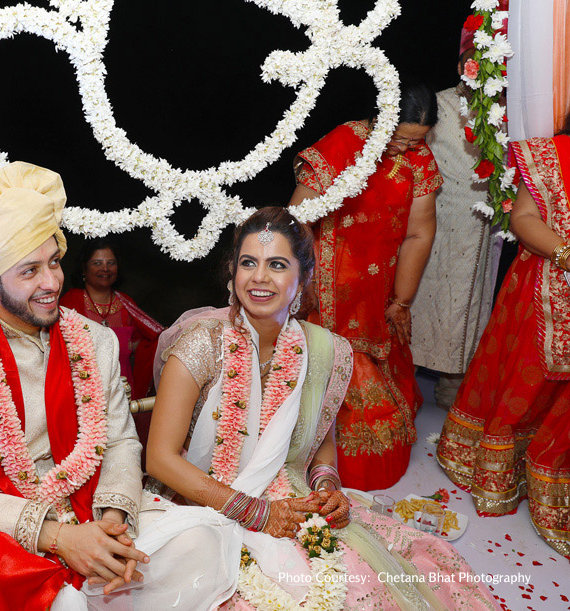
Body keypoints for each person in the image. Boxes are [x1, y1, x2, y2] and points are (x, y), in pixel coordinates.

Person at [0, 161, 214, 611]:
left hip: (95, 502)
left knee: (202, 543)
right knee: (64, 605)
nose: (52, 283)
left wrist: (112, 523)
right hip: (3, 532)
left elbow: (121, 442)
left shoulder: (95, 341)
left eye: (55, 262)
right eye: (30, 271)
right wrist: (59, 537)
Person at [138, 207, 496, 610]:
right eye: (248, 263)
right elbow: (160, 459)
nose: (259, 277)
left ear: (304, 277)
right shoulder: (201, 344)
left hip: (287, 493)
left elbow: (320, 440)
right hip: (197, 497)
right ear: (232, 272)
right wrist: (255, 512)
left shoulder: (322, 351)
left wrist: (326, 487)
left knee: (364, 583)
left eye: (277, 265)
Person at [289, 81, 443, 490]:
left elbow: (419, 233)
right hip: (324, 284)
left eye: (416, 142)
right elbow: (298, 218)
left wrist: (402, 300)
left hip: (375, 289)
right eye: (400, 138)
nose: (405, 149)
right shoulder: (344, 142)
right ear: (380, 118)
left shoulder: (419, 160)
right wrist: (301, 281)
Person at [437, 110, 570, 558]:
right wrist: (567, 255)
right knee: (524, 384)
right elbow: (523, 219)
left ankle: (550, 480)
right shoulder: (550, 155)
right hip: (543, 290)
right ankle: (500, 473)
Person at [409, 52, 500, 409]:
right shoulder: (439, 105)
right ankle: (401, 388)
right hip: (434, 221)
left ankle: (453, 391)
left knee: (469, 306)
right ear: (461, 68)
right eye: (472, 66)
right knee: (419, 299)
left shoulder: (503, 112)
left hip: (480, 229)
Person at [60, 239, 164, 400]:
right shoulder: (70, 302)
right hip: (84, 394)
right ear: (84, 268)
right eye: (97, 263)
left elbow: (141, 346)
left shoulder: (126, 303)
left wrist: (164, 339)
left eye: (111, 263)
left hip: (123, 393)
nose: (105, 269)